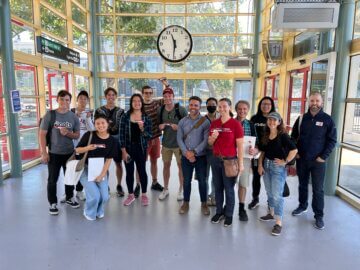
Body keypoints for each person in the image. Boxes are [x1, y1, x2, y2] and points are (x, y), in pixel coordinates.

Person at [291, 92, 337, 230]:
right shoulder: (301, 119)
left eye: (317, 101)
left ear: (321, 102)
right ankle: (302, 206)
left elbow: (332, 140)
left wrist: (323, 157)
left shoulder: (327, 120)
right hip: (302, 159)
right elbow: (292, 138)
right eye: (312, 100)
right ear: (308, 101)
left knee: (318, 189)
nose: (314, 103)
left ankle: (319, 216)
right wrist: (296, 153)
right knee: (302, 185)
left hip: (318, 162)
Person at [39, 90, 80, 215]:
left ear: (70, 101)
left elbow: (77, 135)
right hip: (54, 153)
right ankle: (52, 203)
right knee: (52, 179)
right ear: (57, 100)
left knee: (69, 178)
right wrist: (44, 153)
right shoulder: (50, 115)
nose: (64, 102)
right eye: (62, 99)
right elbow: (42, 134)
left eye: (67, 100)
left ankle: (69, 198)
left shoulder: (73, 117)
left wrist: (67, 133)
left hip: (69, 153)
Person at [258, 112, 297, 236]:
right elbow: (263, 152)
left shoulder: (283, 136)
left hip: (277, 168)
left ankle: (278, 222)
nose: (272, 122)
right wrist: (260, 165)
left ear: (279, 122)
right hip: (266, 166)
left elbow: (294, 150)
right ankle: (271, 213)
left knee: (277, 195)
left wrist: (285, 161)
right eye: (269, 120)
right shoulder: (266, 135)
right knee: (269, 192)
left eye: (274, 120)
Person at [208, 98, 244, 227]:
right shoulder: (214, 123)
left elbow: (240, 146)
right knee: (218, 188)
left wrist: (241, 164)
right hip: (216, 160)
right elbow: (210, 143)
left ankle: (229, 214)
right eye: (220, 106)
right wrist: (212, 138)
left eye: (225, 106)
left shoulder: (235, 124)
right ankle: (219, 212)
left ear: (229, 108)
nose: (222, 109)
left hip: (230, 161)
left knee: (229, 189)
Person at [75, 115, 116, 221]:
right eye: (97, 123)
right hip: (85, 169)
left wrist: (102, 175)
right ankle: (89, 212)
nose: (100, 125)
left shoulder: (112, 141)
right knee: (94, 195)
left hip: (101, 170)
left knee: (105, 196)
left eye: (103, 123)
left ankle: (99, 210)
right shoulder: (89, 135)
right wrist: (87, 148)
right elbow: (77, 150)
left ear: (107, 124)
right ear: (94, 124)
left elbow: (109, 160)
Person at [177, 96, 210, 215]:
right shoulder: (182, 121)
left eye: (196, 105)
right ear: (188, 105)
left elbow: (206, 140)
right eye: (191, 105)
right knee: (186, 181)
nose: (193, 107)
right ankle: (185, 203)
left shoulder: (205, 122)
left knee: (202, 181)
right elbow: (179, 139)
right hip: (186, 157)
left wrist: (194, 152)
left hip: (201, 156)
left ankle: (204, 203)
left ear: (199, 106)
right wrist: (187, 153)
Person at [60, 90, 95, 203]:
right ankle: (68, 193)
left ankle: (80, 191)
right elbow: (68, 128)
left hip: (84, 145)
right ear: (77, 99)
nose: (83, 100)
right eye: (81, 98)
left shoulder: (89, 112)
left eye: (85, 99)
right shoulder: (71, 112)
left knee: (81, 168)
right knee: (69, 168)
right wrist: (75, 117)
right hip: (71, 145)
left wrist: (89, 118)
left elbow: (92, 129)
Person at [119, 94, 152, 206]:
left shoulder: (146, 117)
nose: (137, 103)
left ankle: (144, 194)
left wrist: (142, 129)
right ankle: (131, 195)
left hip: (141, 148)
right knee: (129, 172)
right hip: (128, 149)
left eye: (139, 101)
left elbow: (148, 136)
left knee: (142, 171)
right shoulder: (125, 116)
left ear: (141, 103)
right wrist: (123, 151)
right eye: (134, 101)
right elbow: (121, 135)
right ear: (131, 103)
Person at [157, 87, 187, 201]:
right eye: (165, 96)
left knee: (181, 167)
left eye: (169, 96)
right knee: (166, 166)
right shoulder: (160, 110)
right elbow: (159, 126)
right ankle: (165, 189)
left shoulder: (181, 110)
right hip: (166, 144)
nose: (167, 98)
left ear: (173, 97)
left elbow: (188, 127)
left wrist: (179, 127)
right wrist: (160, 127)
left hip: (179, 144)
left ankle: (181, 189)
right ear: (163, 98)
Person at [94, 87, 125, 197]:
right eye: (109, 95)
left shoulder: (121, 111)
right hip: (103, 139)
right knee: (103, 165)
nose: (111, 97)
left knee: (118, 163)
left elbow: (123, 127)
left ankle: (119, 185)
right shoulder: (99, 111)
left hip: (117, 140)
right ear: (105, 96)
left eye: (113, 95)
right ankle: (104, 185)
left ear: (115, 97)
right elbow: (96, 125)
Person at [248, 96, 276, 210]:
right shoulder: (254, 118)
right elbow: (250, 134)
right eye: (263, 104)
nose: (266, 106)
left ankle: (271, 202)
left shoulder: (275, 118)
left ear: (272, 105)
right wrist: (254, 148)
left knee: (271, 177)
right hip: (257, 152)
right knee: (256, 176)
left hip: (271, 152)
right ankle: (255, 198)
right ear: (260, 105)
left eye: (268, 104)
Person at [234, 100, 258, 222]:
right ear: (236, 110)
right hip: (231, 158)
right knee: (228, 184)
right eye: (240, 109)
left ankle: (241, 208)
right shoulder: (230, 123)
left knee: (243, 184)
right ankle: (227, 206)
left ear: (248, 110)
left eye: (245, 109)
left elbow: (256, 142)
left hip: (245, 159)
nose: (242, 111)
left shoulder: (251, 125)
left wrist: (255, 150)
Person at [139, 85, 164, 192]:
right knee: (141, 162)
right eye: (146, 93)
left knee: (154, 161)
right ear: (142, 94)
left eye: (150, 93)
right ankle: (138, 185)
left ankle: (154, 182)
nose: (148, 95)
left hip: (156, 138)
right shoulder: (139, 106)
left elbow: (170, 95)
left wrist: (166, 83)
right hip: (144, 140)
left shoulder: (156, 103)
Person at [205, 97, 220, 207]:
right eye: (209, 104)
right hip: (205, 151)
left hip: (217, 152)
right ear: (206, 106)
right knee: (205, 176)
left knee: (215, 176)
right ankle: (205, 197)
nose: (211, 106)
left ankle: (213, 196)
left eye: (213, 104)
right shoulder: (202, 119)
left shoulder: (222, 118)